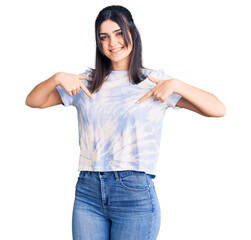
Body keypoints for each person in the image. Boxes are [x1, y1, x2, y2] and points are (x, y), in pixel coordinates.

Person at [25, 5, 226, 240]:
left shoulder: (154, 81)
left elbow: (217, 109)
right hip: (88, 192)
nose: (113, 42)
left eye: (119, 33)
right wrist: (57, 78)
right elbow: (33, 101)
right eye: (104, 37)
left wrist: (176, 84)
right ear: (98, 43)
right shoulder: (85, 83)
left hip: (135, 193)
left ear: (132, 33)